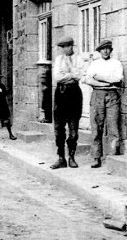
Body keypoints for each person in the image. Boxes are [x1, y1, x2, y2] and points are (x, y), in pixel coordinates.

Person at [81, 39, 123, 168]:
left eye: (108, 49)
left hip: (112, 96)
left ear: (110, 50)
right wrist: (104, 83)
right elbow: (87, 79)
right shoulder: (94, 64)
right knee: (96, 128)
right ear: (99, 51)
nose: (105, 51)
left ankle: (113, 157)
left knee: (113, 126)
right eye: (103, 49)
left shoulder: (116, 63)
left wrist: (99, 77)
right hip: (97, 95)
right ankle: (96, 157)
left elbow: (118, 79)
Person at [49, 36, 87, 170]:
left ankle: (71, 156)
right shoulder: (59, 59)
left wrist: (69, 73)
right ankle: (61, 158)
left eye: (68, 46)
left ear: (72, 46)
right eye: (63, 47)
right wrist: (71, 74)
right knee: (59, 128)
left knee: (73, 129)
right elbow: (57, 77)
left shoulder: (79, 58)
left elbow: (80, 75)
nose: (66, 49)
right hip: (60, 93)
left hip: (74, 94)